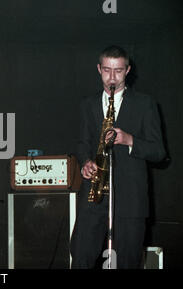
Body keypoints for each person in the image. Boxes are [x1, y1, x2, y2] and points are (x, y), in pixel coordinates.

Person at [70, 45, 165, 269]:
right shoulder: (88, 104)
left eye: (118, 71)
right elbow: (82, 144)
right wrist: (85, 162)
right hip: (94, 195)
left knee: (129, 262)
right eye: (107, 70)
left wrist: (130, 140)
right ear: (98, 69)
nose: (112, 77)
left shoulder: (145, 104)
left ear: (128, 70)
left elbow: (159, 152)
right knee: (81, 256)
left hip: (131, 199)